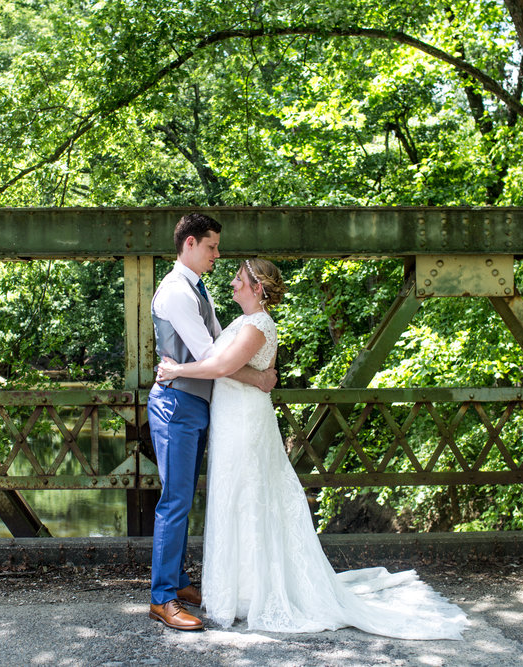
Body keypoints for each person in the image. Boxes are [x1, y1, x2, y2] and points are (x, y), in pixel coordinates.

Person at [156, 258, 467, 639]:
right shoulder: (240, 322)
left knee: (248, 498)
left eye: (239, 279)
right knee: (233, 498)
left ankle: (252, 594)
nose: (233, 283)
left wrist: (176, 370)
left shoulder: (258, 324)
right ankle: (234, 590)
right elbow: (225, 362)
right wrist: (257, 376)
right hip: (231, 419)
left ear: (256, 288)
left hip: (244, 423)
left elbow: (220, 365)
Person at [147, 214, 277, 632]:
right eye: (211, 247)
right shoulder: (176, 294)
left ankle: (180, 583)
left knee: (184, 498)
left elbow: (222, 345)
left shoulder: (196, 289)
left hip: (195, 404)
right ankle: (162, 598)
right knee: (175, 500)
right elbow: (212, 358)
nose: (217, 255)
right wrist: (256, 377)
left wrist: (252, 372)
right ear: (189, 244)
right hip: (176, 404)